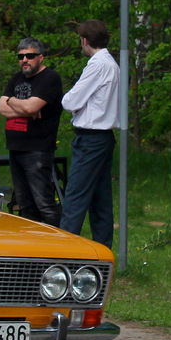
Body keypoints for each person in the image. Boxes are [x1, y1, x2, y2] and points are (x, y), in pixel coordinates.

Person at [58, 20, 119, 248]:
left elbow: (70, 100)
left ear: (85, 41)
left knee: (75, 196)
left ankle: (63, 253)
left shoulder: (97, 64)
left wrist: (73, 102)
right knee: (100, 200)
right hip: (103, 137)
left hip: (91, 137)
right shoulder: (111, 63)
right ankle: (103, 250)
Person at [0, 37, 64, 226]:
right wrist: (23, 106)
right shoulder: (16, 78)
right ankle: (32, 244)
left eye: (30, 56)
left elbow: (30, 107)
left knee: (44, 202)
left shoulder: (50, 78)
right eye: (21, 56)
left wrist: (13, 101)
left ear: (40, 57)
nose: (24, 60)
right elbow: (1, 107)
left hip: (38, 149)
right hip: (15, 147)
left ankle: (61, 241)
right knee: (24, 204)